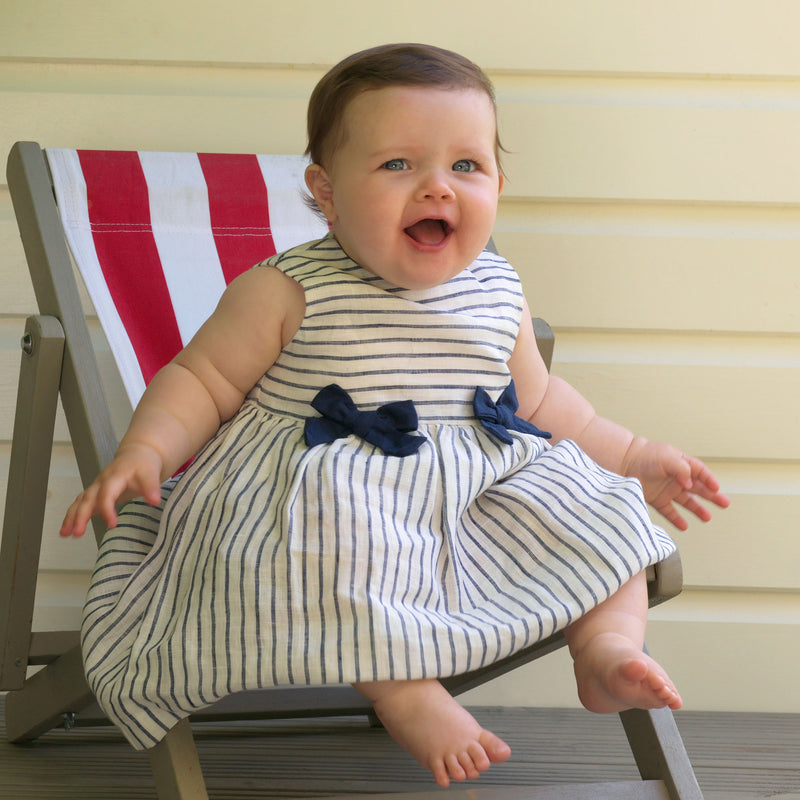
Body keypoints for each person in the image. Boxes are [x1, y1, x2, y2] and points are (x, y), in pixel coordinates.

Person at [62, 43, 729, 788]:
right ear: (325, 192)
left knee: (602, 510)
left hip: (468, 502)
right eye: (397, 166)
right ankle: (404, 690)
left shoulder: (496, 288)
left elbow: (540, 403)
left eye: (465, 167)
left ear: (499, 185)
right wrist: (147, 449)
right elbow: (202, 379)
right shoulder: (287, 289)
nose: (437, 188)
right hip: (331, 493)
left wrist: (634, 457)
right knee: (331, 534)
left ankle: (605, 651)